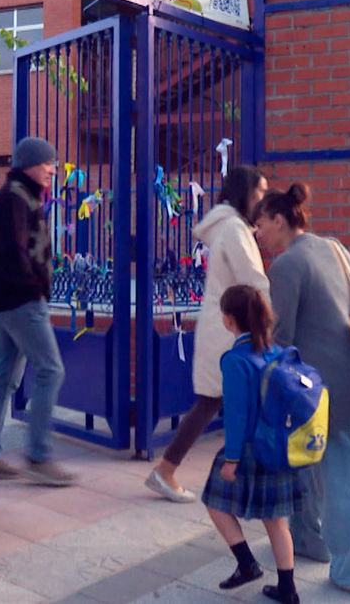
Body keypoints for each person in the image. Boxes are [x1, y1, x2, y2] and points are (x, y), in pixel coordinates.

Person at [255, 183, 350, 596]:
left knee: (340, 480)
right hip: (345, 381)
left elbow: (282, 335)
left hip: (317, 393)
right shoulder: (335, 249)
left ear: (278, 219)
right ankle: (310, 543)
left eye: (260, 225)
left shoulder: (287, 266)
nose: (258, 235)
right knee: (307, 467)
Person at [146, 166, 270, 502]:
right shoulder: (233, 229)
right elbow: (254, 281)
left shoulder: (231, 226)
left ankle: (169, 470)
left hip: (226, 327)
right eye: (260, 191)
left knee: (217, 402)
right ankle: (169, 471)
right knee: (222, 402)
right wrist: (277, 313)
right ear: (245, 193)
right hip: (230, 331)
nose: (264, 198)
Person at [201, 285, 309, 604]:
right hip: (279, 447)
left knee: (213, 500)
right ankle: (288, 589)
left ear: (230, 318)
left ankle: (247, 564)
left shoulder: (235, 360)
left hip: (249, 449)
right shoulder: (278, 352)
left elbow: (236, 414)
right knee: (276, 520)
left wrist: (231, 460)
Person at [0, 137, 75, 486]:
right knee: (51, 370)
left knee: (4, 378)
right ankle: (39, 454)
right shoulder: (14, 199)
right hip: (21, 301)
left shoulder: (18, 196)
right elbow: (16, 252)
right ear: (30, 165)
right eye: (47, 163)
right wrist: (34, 287)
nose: (53, 169)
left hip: (8, 300)